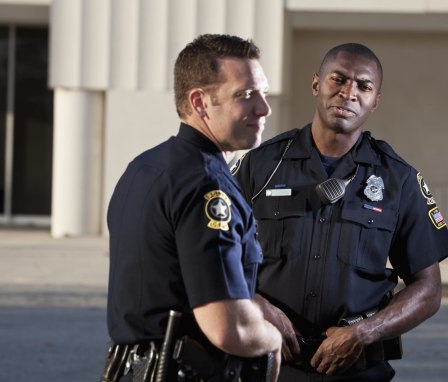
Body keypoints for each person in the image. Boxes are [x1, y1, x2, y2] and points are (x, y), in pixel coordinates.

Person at [233, 42, 448, 381]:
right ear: (317, 84)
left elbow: (428, 289)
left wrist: (364, 332)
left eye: (364, 86)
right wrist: (257, 304)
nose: (349, 93)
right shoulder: (261, 167)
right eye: (339, 79)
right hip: (268, 365)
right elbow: (214, 257)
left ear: (374, 101)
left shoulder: (398, 179)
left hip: (357, 369)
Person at [102, 34, 282, 382]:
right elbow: (228, 329)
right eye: (246, 96)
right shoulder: (208, 186)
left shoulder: (144, 167)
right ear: (200, 102)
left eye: (263, 93)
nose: (264, 108)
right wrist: (271, 337)